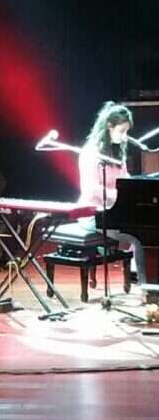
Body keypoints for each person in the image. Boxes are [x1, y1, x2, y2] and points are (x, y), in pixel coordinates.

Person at [76, 102, 148, 285]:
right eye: (122, 131)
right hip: (93, 214)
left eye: (127, 132)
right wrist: (120, 196)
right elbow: (91, 189)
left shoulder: (117, 153)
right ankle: (145, 284)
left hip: (114, 211)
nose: (125, 137)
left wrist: (138, 189)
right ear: (109, 126)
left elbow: (125, 179)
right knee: (140, 237)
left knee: (149, 227)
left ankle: (142, 274)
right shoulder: (91, 153)